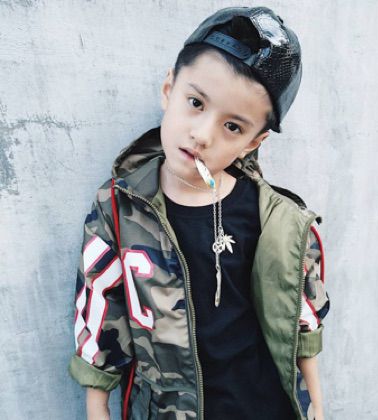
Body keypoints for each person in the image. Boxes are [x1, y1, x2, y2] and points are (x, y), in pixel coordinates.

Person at [68, 6, 330, 420]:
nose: (203, 134)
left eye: (233, 127)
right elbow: (99, 313)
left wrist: (315, 403)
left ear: (253, 142)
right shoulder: (118, 210)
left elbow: (302, 316)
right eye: (195, 102)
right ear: (168, 89)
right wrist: (96, 407)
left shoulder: (276, 219)